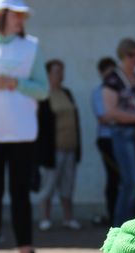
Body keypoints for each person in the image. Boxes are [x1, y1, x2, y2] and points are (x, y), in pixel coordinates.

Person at [0, 0, 55, 253]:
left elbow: (43, 90)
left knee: (20, 194)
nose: (21, 20)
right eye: (16, 15)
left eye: (23, 16)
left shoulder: (31, 46)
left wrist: (13, 83)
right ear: (1, 15)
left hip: (21, 132)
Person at [103, 38, 135, 227]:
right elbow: (110, 112)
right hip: (122, 135)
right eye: (130, 54)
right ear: (122, 55)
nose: (134, 58)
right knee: (130, 181)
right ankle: (120, 226)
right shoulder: (113, 80)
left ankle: (130, 224)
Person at [35, 59, 82, 232]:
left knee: (68, 186)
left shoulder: (67, 93)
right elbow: (41, 124)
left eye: (61, 71)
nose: (60, 75)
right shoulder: (44, 95)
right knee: (48, 186)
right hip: (52, 151)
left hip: (70, 148)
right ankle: (45, 218)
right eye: (56, 72)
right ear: (48, 74)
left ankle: (68, 218)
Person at [91, 57, 119, 226]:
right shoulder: (98, 92)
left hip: (121, 138)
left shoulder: (118, 89)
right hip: (107, 139)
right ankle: (112, 215)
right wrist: (120, 117)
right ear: (101, 74)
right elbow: (104, 117)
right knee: (114, 178)